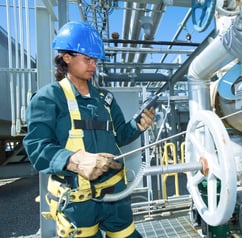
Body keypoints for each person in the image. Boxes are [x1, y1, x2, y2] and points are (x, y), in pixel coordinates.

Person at [23, 21, 155, 238]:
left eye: (95, 60)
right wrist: (74, 160)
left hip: (115, 193)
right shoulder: (48, 98)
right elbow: (37, 147)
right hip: (77, 200)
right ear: (67, 58)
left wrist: (138, 125)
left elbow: (120, 134)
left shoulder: (105, 98)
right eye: (87, 59)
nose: (93, 65)